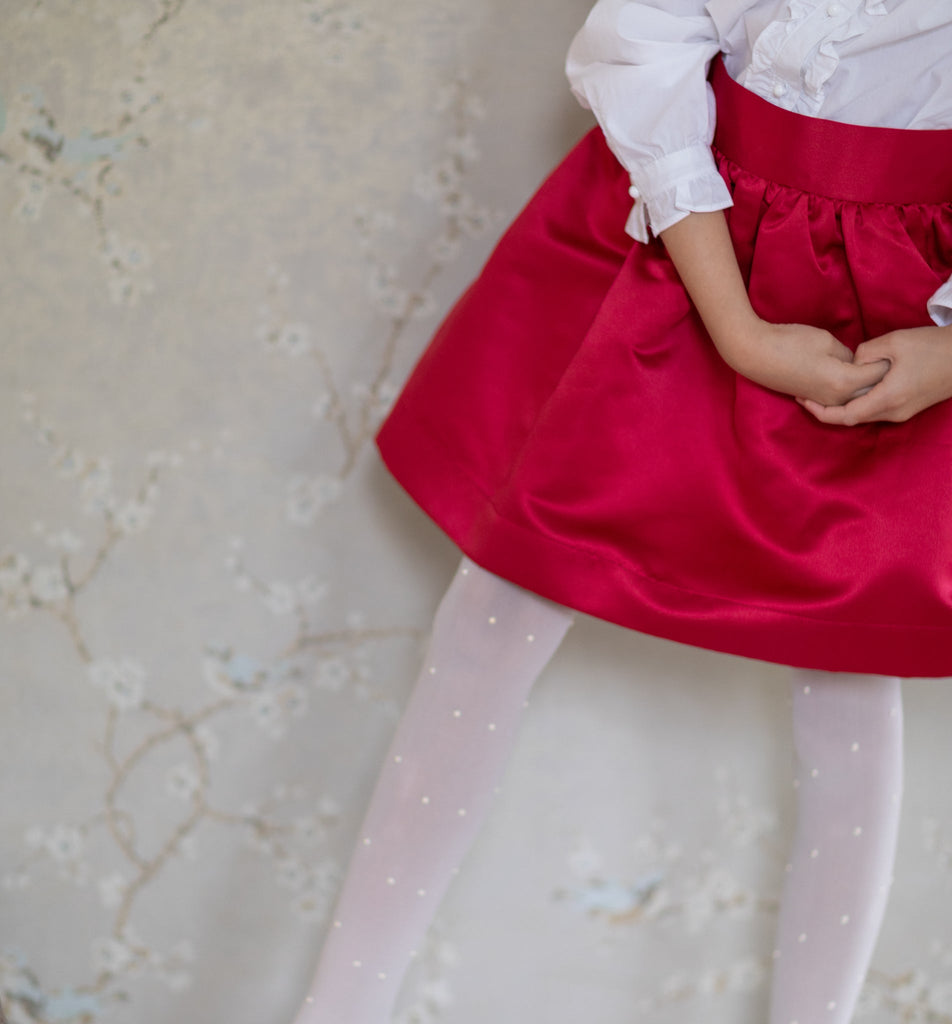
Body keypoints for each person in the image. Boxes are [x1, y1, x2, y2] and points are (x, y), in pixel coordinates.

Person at [289, 3, 952, 1023]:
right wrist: (735, 326)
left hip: (893, 305)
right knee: (494, 613)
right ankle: (340, 1009)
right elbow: (643, 38)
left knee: (848, 673)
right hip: (690, 246)